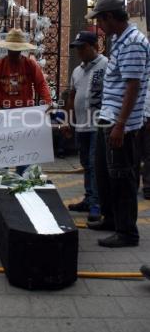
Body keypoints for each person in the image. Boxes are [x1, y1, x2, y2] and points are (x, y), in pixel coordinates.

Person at [86, 0, 150, 247]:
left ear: (110, 17)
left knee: (123, 176)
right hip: (109, 117)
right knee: (106, 172)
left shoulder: (133, 42)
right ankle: (111, 218)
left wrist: (121, 125)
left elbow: (133, 86)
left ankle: (127, 232)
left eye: (100, 19)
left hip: (120, 123)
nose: (99, 25)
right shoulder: (119, 40)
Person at [0, 28, 51, 175]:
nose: (14, 53)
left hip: (25, 114)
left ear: (21, 49)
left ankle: (23, 181)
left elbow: (41, 84)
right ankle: (1, 182)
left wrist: (48, 102)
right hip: (4, 113)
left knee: (24, 153)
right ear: (7, 48)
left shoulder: (30, 65)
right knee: (3, 154)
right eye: (11, 49)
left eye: (17, 50)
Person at [65, 31, 108, 222]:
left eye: (83, 47)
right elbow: (72, 96)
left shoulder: (106, 65)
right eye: (77, 48)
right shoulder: (77, 71)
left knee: (94, 164)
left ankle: (97, 204)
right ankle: (89, 198)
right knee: (85, 164)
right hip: (81, 125)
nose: (79, 51)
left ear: (94, 46)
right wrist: (68, 121)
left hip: (98, 126)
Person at [136, 78, 150, 199]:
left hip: (148, 118)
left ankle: (148, 186)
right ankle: (133, 184)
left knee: (148, 154)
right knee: (134, 154)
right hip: (135, 117)